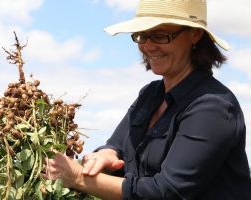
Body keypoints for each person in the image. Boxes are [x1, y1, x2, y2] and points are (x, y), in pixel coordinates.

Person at [43, 0, 251, 199]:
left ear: (194, 35)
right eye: (143, 36)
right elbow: (118, 146)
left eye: (160, 36)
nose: (148, 46)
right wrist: (106, 154)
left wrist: (78, 178)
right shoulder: (151, 94)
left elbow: (167, 192)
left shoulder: (212, 108)